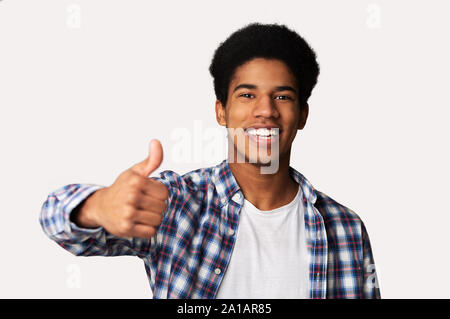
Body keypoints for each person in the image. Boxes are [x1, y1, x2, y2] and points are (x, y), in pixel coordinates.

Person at [40, 22, 380, 299]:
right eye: (247, 95)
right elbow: (56, 219)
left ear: (302, 114)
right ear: (221, 111)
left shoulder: (345, 228)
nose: (266, 110)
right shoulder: (176, 203)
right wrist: (99, 207)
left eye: (282, 96)